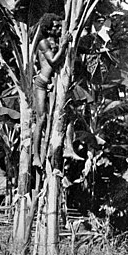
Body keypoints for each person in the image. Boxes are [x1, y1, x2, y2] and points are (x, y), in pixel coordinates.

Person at [32, 18, 82, 169]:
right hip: (42, 83)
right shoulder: (43, 43)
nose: (59, 28)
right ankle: (35, 156)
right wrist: (65, 44)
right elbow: (53, 61)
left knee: (68, 114)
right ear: (47, 29)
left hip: (54, 85)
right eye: (55, 27)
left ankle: (68, 147)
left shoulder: (57, 40)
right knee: (41, 119)